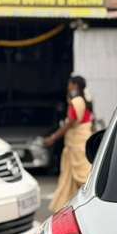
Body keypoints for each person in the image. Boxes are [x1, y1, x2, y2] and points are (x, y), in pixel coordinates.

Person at [44, 75, 95, 213]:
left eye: (69, 83)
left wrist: (53, 137)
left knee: (82, 176)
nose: (68, 86)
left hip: (76, 145)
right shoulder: (86, 100)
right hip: (82, 140)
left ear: (74, 85)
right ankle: (74, 207)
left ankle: (93, 203)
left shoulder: (76, 101)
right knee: (72, 177)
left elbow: (70, 123)